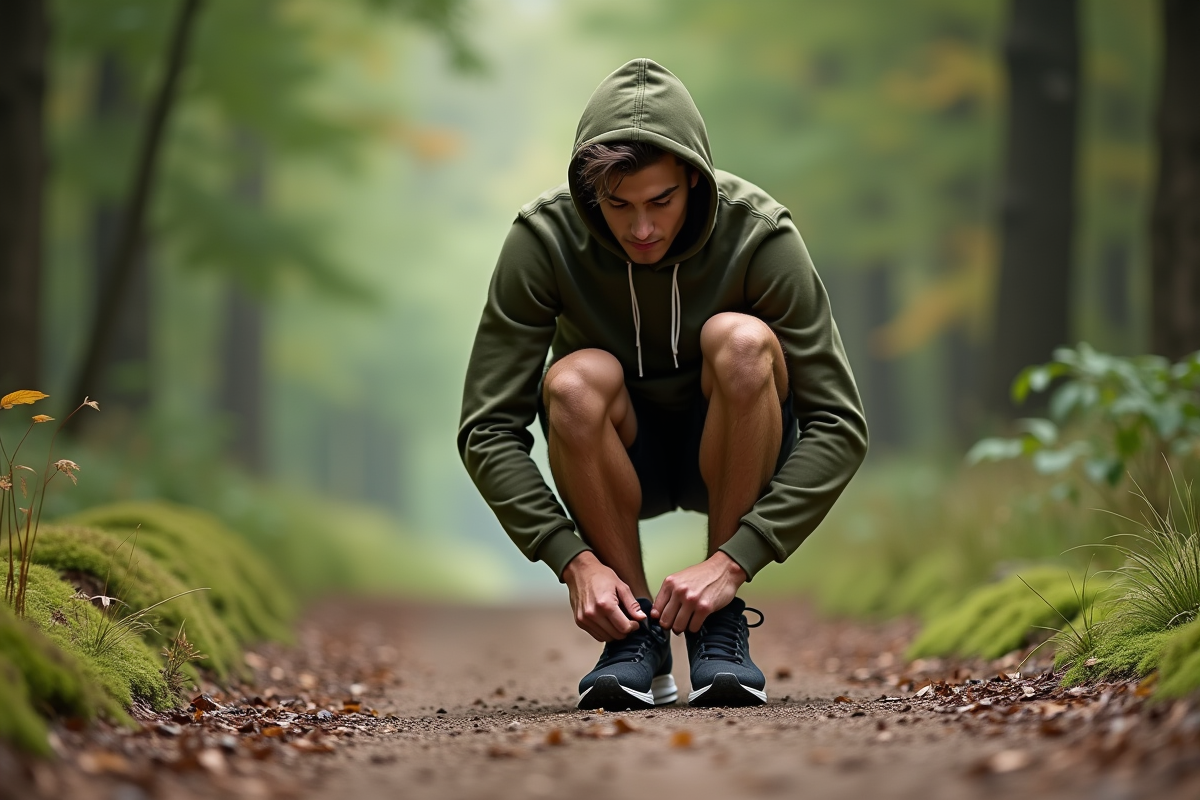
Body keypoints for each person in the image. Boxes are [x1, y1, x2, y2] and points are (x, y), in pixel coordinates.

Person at [458, 59, 868, 710]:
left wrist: (737, 560)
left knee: (741, 342)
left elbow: (839, 425)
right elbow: (486, 429)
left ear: (693, 180)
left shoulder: (759, 234)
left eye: (661, 202)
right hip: (615, 457)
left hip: (736, 443)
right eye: (618, 205)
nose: (641, 228)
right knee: (571, 382)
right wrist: (573, 560)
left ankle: (717, 627)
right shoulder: (543, 240)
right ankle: (634, 635)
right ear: (591, 193)